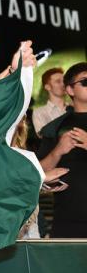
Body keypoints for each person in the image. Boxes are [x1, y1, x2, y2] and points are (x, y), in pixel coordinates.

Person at [37, 62, 87, 238]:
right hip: (68, 221)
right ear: (70, 90)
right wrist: (57, 151)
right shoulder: (55, 128)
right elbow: (39, 171)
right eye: (85, 82)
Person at [32, 67, 67, 135]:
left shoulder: (74, 108)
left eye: (64, 81)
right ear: (48, 87)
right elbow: (44, 136)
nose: (63, 84)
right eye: (58, 81)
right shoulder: (39, 113)